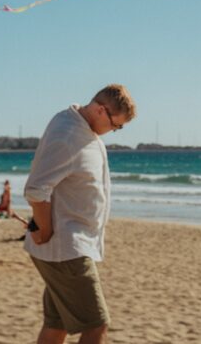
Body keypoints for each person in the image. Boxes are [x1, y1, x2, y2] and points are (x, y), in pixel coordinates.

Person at [24, 84, 137, 344]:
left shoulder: (77, 124)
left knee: (57, 324)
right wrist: (46, 229)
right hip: (67, 249)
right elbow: (36, 189)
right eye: (115, 125)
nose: (114, 131)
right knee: (97, 325)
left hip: (69, 245)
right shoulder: (68, 135)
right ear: (100, 110)